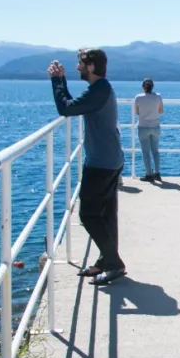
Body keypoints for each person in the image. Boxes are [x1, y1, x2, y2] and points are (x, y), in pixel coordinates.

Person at [48, 49, 127, 285]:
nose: (78, 68)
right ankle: (107, 261)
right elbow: (75, 104)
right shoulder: (99, 89)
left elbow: (66, 109)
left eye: (81, 63)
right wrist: (61, 81)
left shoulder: (99, 90)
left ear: (91, 66)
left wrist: (55, 81)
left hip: (101, 163)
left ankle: (114, 263)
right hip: (109, 158)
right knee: (105, 215)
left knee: (89, 215)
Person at [134, 78, 164, 182]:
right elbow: (160, 111)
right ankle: (157, 173)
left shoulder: (138, 98)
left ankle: (149, 174)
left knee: (145, 152)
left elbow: (137, 112)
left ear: (143, 87)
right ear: (152, 87)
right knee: (155, 151)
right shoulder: (158, 97)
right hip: (155, 126)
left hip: (143, 127)